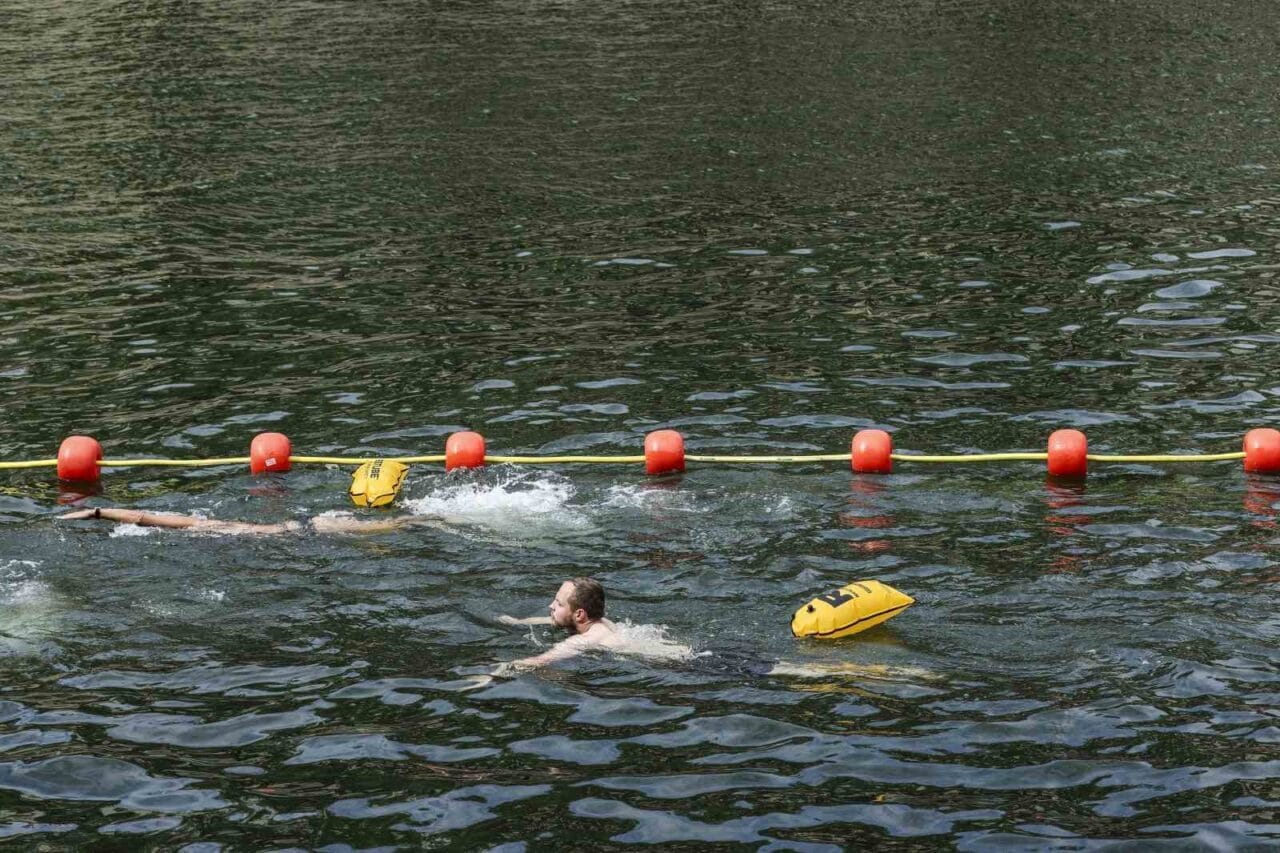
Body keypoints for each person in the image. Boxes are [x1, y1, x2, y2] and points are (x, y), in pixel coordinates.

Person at [498, 577, 623, 670]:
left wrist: (502, 668)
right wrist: (518, 622)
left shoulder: (583, 641)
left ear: (579, 614)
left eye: (559, 604)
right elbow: (552, 620)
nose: (551, 605)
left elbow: (541, 660)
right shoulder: (602, 623)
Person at [57, 506, 424, 535]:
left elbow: (144, 519)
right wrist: (98, 511)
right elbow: (143, 517)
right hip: (305, 527)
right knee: (396, 524)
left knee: (399, 525)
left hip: (305, 532)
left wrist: (97, 513)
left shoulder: (207, 529)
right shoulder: (210, 525)